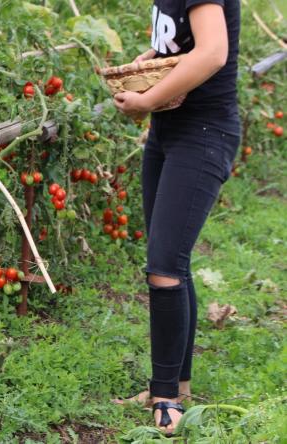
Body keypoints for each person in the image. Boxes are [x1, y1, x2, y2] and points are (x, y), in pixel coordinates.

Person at [113, 0, 241, 435]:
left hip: (203, 134)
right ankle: (174, 387)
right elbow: (185, 46)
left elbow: (213, 53)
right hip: (168, 134)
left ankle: (165, 396)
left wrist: (146, 99)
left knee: (164, 269)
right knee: (172, 264)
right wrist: (151, 60)